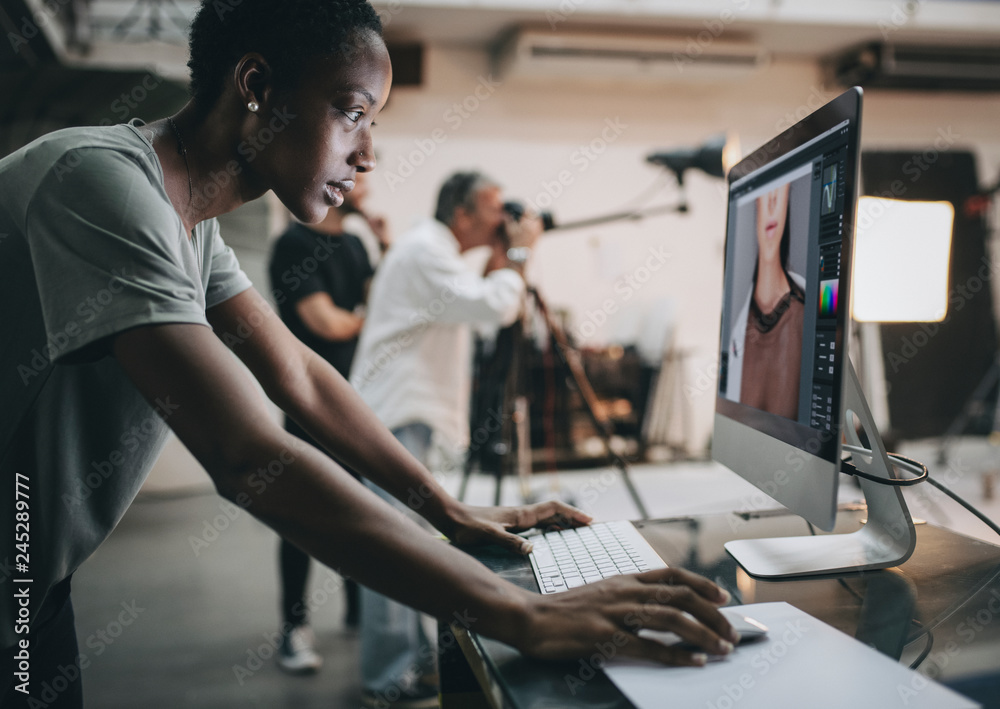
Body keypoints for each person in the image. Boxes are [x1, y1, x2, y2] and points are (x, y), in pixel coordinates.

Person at [0, 2, 737, 707]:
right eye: (353, 112)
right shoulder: (98, 185)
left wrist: (445, 509)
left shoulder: (188, 225)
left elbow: (302, 378)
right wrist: (520, 613)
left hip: (35, 576)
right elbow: (244, 451)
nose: (369, 154)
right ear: (256, 87)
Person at [348, 171, 541, 706]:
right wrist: (521, 257)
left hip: (403, 415)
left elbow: (485, 307)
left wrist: (507, 259)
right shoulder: (422, 252)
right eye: (494, 208)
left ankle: (407, 664)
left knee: (409, 541)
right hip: (394, 416)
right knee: (392, 545)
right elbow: (492, 307)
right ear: (461, 214)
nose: (504, 219)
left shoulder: (434, 251)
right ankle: (388, 678)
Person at [267, 171, 388, 674]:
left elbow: (379, 300)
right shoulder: (293, 245)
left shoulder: (358, 247)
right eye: (357, 178)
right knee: (303, 513)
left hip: (358, 400)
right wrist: (369, 316)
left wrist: (384, 245)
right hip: (309, 402)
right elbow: (327, 322)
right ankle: (294, 628)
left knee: (361, 506)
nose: (367, 185)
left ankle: (362, 613)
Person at [724, 182, 806, 419]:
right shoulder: (737, 326)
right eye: (765, 194)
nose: (772, 204)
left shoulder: (807, 320)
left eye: (780, 192)